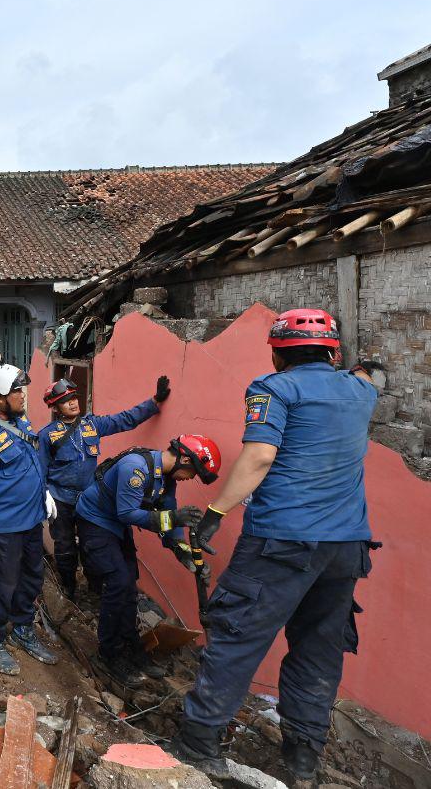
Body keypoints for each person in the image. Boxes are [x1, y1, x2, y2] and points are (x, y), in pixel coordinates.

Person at [171, 310, 380, 783]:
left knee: (237, 636)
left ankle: (197, 743)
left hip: (281, 540)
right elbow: (365, 376)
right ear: (332, 351)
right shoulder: (363, 392)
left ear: (276, 351)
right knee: (319, 649)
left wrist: (216, 514)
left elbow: (261, 454)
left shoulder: (274, 389)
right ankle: (302, 759)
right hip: (346, 547)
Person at [75, 434, 219, 686]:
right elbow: (128, 513)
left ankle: (131, 646)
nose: (190, 478)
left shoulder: (165, 475)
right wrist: (174, 519)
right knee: (118, 582)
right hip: (96, 522)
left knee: (130, 584)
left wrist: (179, 547)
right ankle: (108, 653)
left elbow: (167, 508)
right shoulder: (136, 468)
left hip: (117, 525)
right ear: (184, 459)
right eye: (192, 472)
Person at [38, 375, 170, 601]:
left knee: (92, 544)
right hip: (60, 499)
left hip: (89, 500)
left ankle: (94, 586)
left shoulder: (92, 425)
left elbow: (124, 419)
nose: (72, 402)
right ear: (56, 407)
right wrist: (44, 495)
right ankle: (68, 587)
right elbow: (39, 469)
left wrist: (154, 402)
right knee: (65, 545)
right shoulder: (46, 435)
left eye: (73, 397)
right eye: (65, 400)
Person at [0, 364, 59, 674]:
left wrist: (43, 492)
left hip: (32, 520)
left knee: (32, 579)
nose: (22, 395)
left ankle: (22, 630)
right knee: (2, 585)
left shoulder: (21, 420)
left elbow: (31, 460)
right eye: (16, 391)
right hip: (4, 526)